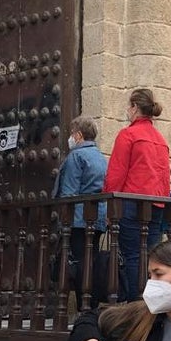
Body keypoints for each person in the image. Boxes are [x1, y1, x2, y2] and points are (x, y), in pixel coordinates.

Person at [104, 89, 170, 301]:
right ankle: (152, 304)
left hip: (132, 202)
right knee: (152, 257)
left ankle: (137, 306)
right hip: (157, 204)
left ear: (134, 107)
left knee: (133, 256)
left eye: (129, 106)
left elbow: (117, 173)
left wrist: (109, 205)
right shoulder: (160, 139)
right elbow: (164, 176)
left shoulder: (128, 134)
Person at [54, 116, 108, 304]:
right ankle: (90, 304)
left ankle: (83, 306)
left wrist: (63, 221)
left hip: (78, 219)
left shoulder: (76, 157)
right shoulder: (101, 158)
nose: (70, 138)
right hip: (97, 218)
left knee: (78, 263)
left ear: (78, 135)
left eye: (71, 134)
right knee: (90, 261)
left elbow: (69, 193)